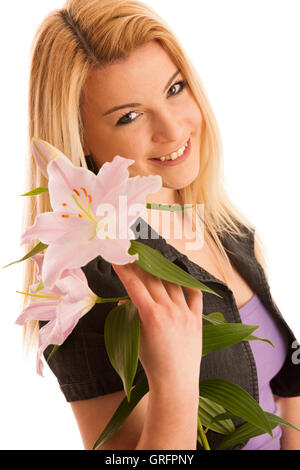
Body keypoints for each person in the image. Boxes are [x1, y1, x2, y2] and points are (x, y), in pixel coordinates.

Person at [22, 0, 300, 450]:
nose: (173, 129)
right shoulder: (82, 287)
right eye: (129, 116)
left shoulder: (227, 230)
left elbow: (284, 392)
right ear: (82, 140)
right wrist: (174, 384)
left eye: (174, 88)